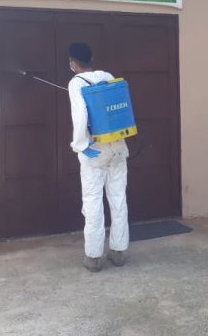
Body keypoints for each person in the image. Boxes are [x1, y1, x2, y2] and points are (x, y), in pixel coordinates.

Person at [67, 43, 130, 272]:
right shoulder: (107, 76)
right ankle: (119, 252)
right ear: (91, 59)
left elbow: (80, 115)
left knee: (93, 202)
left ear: (73, 62)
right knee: (118, 199)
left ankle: (93, 257)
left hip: (95, 149)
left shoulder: (76, 83)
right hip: (118, 147)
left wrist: (80, 145)